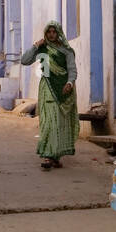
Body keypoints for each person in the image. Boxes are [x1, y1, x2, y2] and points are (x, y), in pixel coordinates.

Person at [20, 22, 79, 171]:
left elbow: (72, 70)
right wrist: (35, 46)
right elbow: (24, 60)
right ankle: (47, 155)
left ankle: (55, 156)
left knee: (58, 124)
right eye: (49, 32)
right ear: (45, 33)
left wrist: (70, 83)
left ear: (58, 33)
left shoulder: (67, 51)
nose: (51, 34)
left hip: (63, 90)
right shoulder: (43, 48)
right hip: (47, 88)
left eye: (54, 32)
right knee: (48, 123)